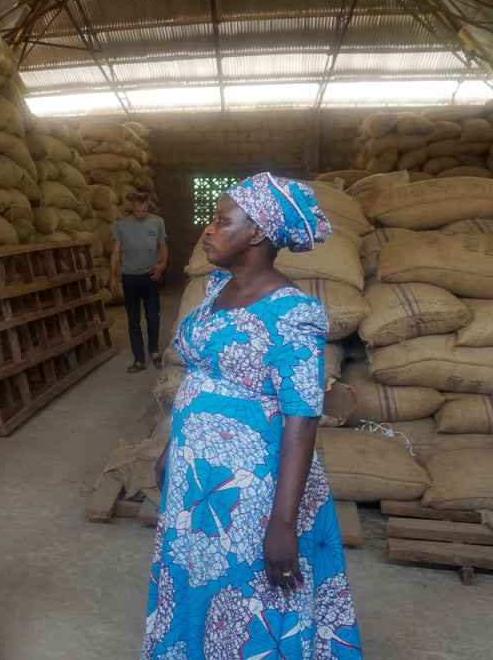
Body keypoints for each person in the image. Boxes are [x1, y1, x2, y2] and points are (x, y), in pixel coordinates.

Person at [143, 173, 361, 659]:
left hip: (251, 492)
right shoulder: (215, 289)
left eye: (223, 221)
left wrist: (283, 523)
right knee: (194, 586)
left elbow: (302, 419)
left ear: (258, 231)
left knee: (248, 603)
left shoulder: (293, 313)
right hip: (196, 482)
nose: (208, 229)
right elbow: (196, 380)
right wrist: (170, 449)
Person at [110, 191, 168, 372]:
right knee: (133, 320)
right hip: (130, 278)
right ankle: (139, 359)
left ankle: (154, 351)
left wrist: (163, 265)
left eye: (143, 211)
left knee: (152, 315)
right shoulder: (122, 225)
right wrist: (113, 276)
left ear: (148, 207)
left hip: (150, 276)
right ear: (132, 208)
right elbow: (116, 252)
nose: (141, 215)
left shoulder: (158, 222)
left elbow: (163, 246)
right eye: (137, 211)